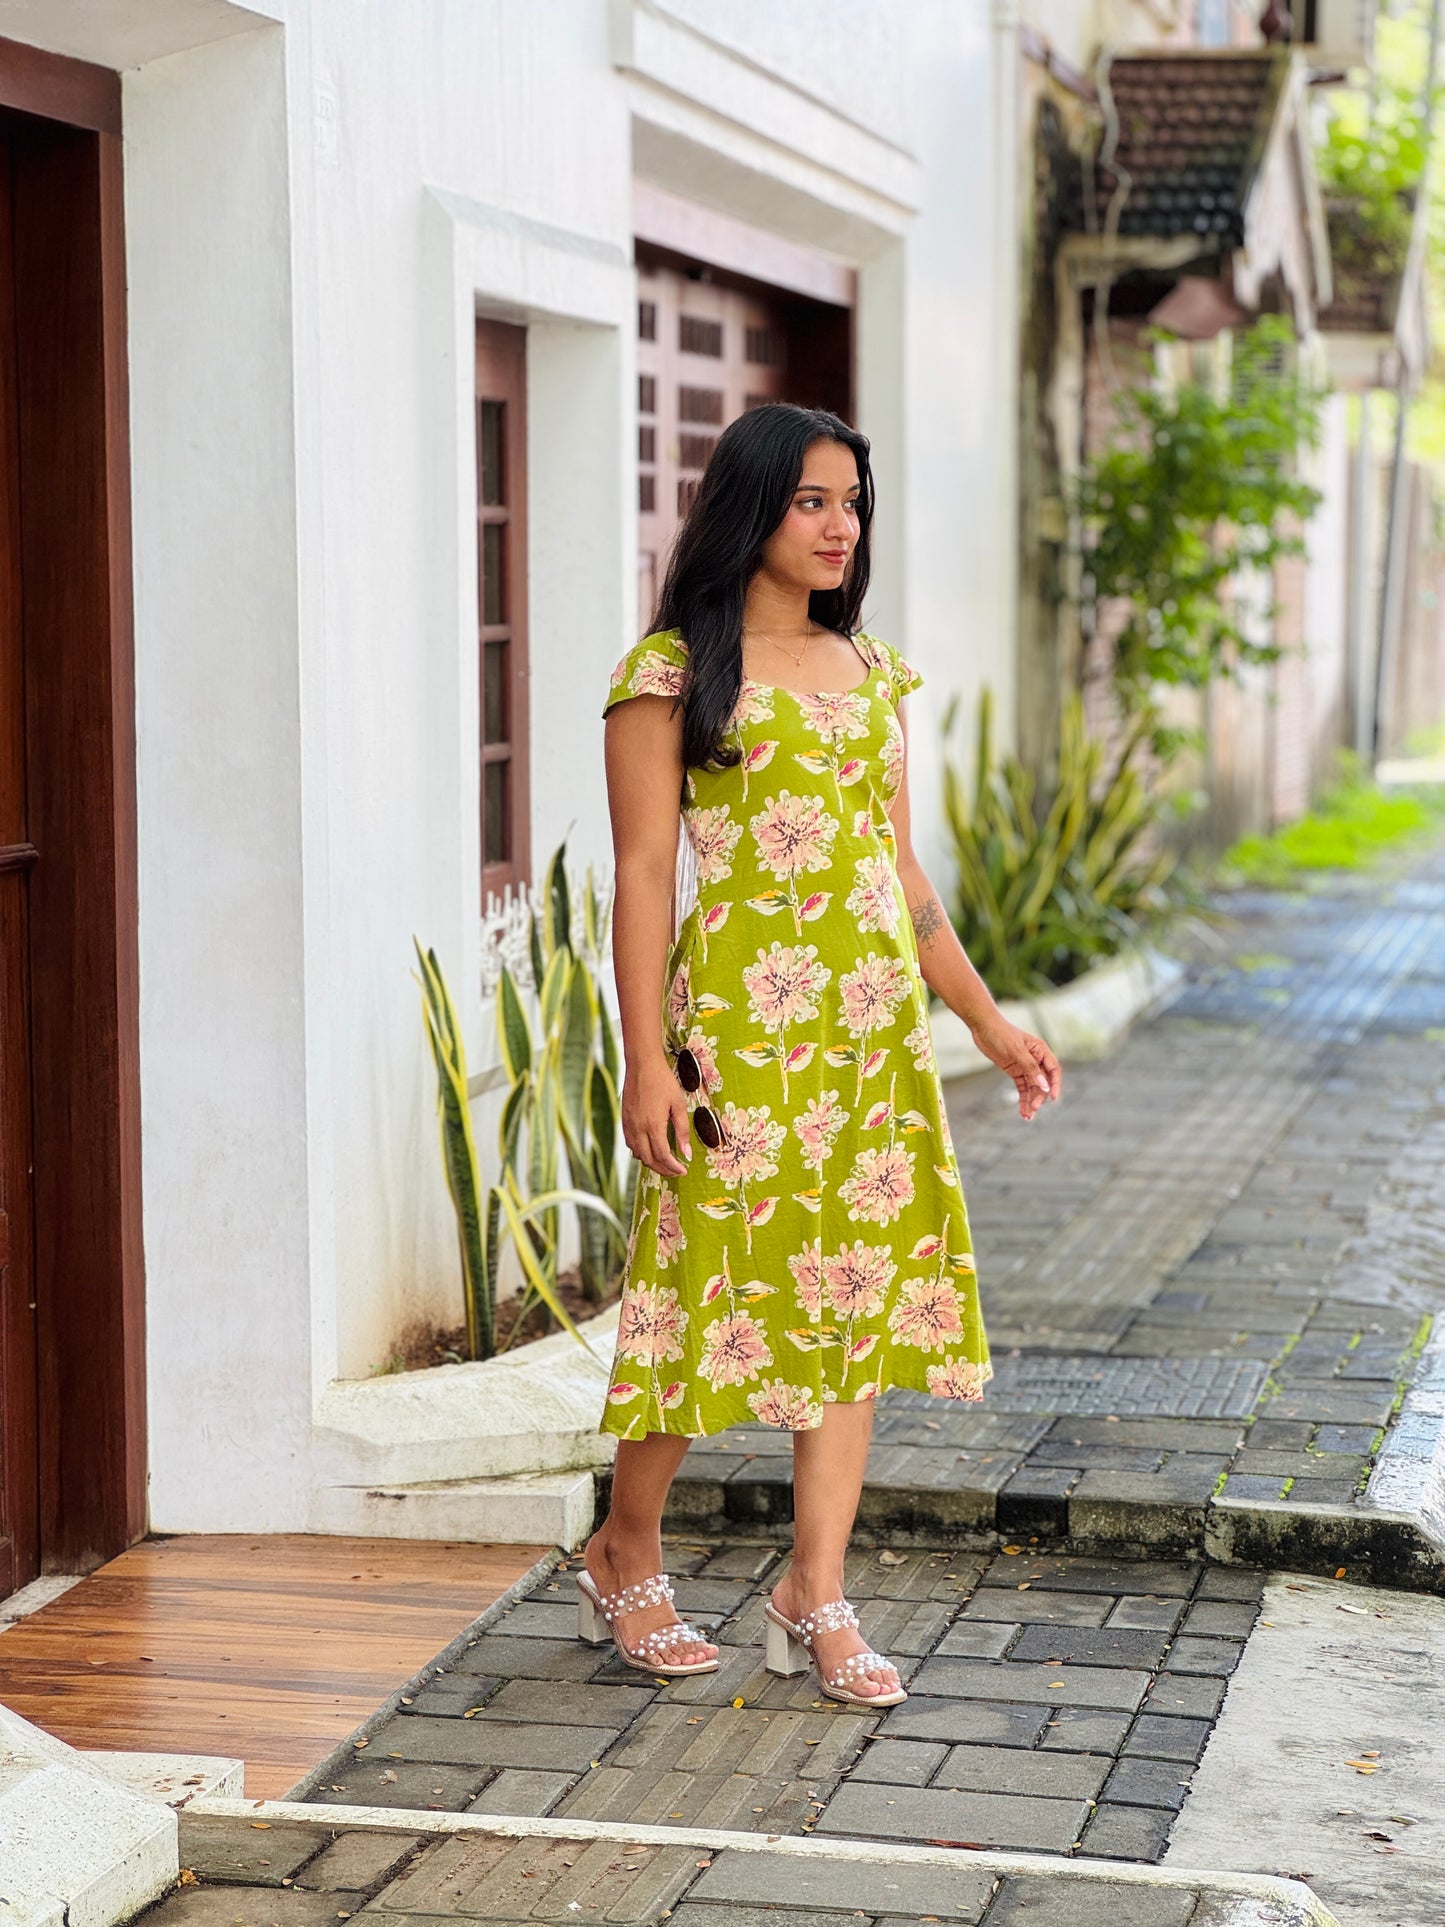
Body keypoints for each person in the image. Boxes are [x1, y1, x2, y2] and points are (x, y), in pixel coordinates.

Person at [579, 402, 1062, 1706]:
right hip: (733, 1040)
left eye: (852, 500)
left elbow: (899, 876)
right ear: (750, 509)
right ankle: (625, 1542)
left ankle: (816, 1589)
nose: (840, 523)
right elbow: (638, 874)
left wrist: (983, 1019)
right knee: (700, 1292)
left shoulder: (875, 674)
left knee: (850, 1301)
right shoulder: (670, 673)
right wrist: (644, 1058)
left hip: (864, 1050)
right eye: (810, 501)